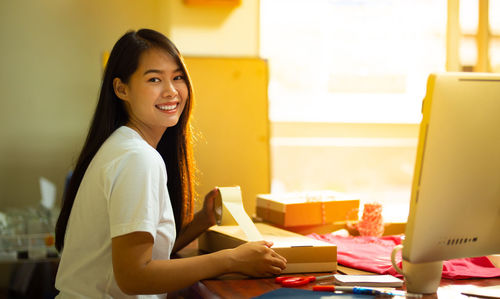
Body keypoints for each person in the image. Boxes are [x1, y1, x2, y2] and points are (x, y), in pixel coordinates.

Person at [54, 28, 287, 298]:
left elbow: (140, 248)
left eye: (178, 77)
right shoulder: (137, 159)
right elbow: (133, 275)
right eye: (154, 79)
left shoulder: (122, 146)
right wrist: (231, 259)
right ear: (121, 89)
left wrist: (202, 221)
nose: (171, 91)